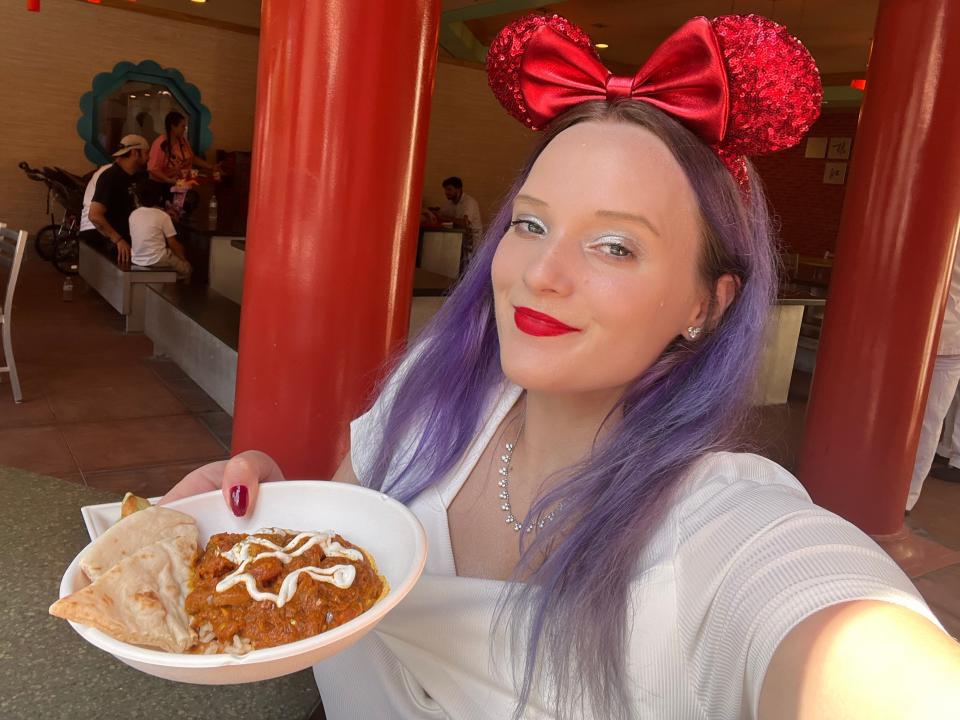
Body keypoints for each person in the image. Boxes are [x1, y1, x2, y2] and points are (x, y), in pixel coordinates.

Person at [163, 14, 960, 720]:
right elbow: (323, 565)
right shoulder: (419, 407)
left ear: (706, 306)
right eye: (533, 224)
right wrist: (252, 535)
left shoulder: (728, 534)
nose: (541, 274)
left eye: (615, 245)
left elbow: (859, 652)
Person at [907, 237, 960, 508]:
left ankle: (908, 492)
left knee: (924, 419)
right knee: (931, 419)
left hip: (937, 334)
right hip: (949, 337)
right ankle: (909, 494)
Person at [78, 134, 149, 264]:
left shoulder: (135, 176)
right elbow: (94, 215)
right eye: (146, 152)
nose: (149, 157)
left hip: (122, 235)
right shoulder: (110, 176)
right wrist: (118, 240)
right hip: (103, 237)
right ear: (135, 152)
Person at [129, 180, 192, 281]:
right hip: (158, 258)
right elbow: (173, 243)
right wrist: (184, 260)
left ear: (137, 198)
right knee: (187, 270)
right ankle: (176, 292)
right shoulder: (162, 216)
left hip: (137, 258)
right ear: (160, 198)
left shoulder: (133, 214)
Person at [147, 110, 218, 186]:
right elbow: (153, 169)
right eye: (182, 126)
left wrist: (211, 167)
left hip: (180, 183)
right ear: (173, 126)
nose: (184, 129)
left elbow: (192, 158)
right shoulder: (160, 143)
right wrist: (168, 180)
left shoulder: (183, 141)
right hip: (162, 185)